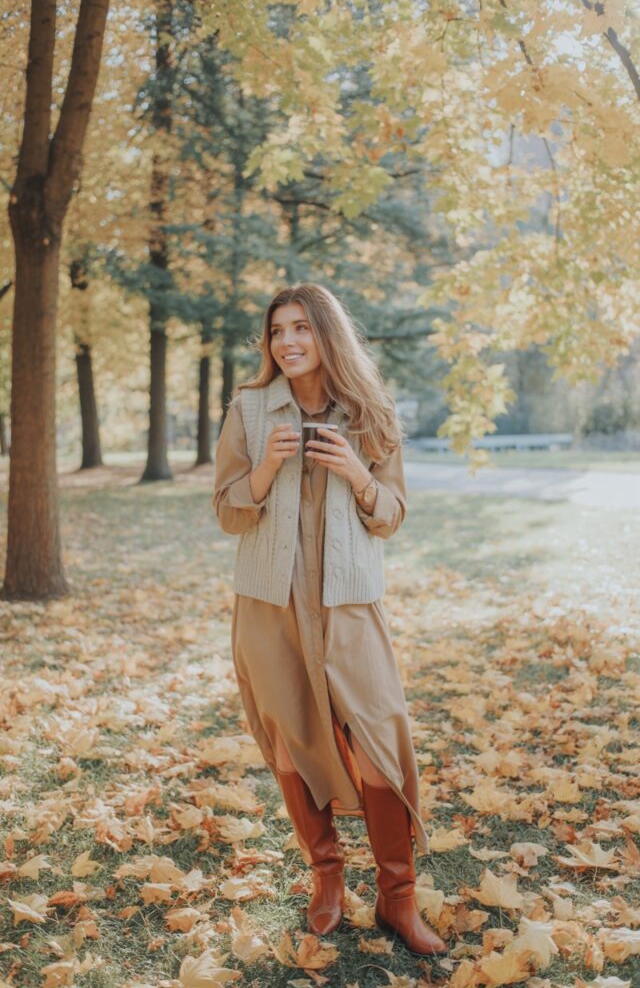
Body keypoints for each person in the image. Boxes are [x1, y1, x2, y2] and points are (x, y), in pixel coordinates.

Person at [213, 283, 446, 956]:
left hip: (348, 602)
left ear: (327, 336)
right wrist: (264, 471)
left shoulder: (369, 410)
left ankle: (397, 898)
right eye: (277, 331)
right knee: (290, 741)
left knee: (378, 739)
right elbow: (228, 510)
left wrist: (356, 473)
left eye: (301, 329)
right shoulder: (250, 409)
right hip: (268, 603)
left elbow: (392, 514)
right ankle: (326, 881)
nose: (287, 341)